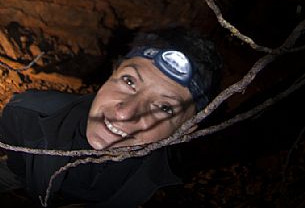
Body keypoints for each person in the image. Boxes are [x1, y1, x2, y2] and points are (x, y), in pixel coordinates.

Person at [0, 26, 222, 207]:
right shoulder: (28, 112)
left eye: (164, 108)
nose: (125, 114)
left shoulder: (170, 186)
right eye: (129, 81)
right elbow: (15, 162)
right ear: (113, 72)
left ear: (186, 128)